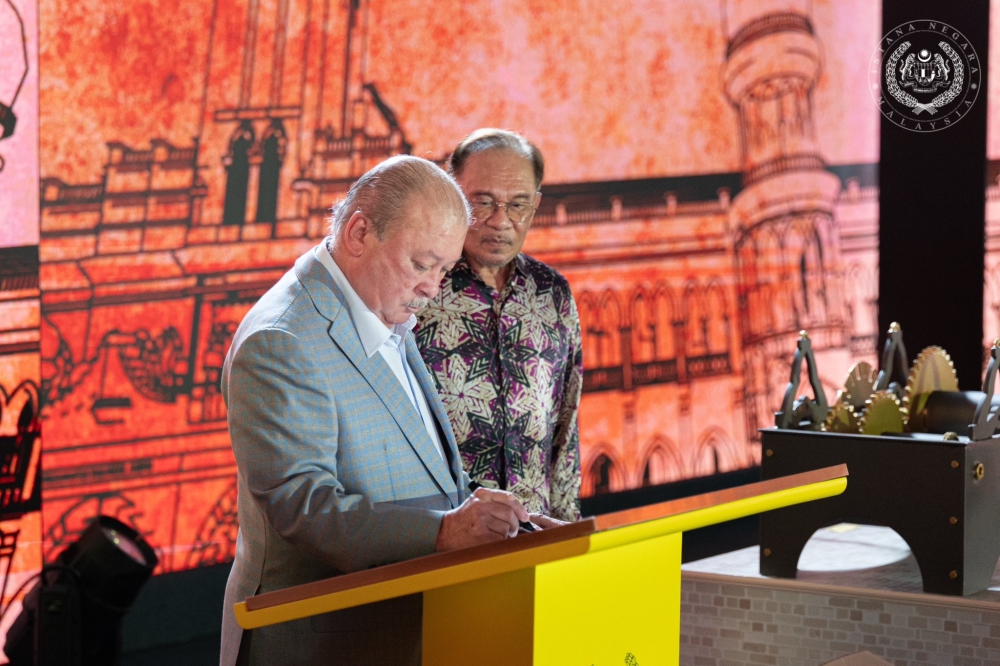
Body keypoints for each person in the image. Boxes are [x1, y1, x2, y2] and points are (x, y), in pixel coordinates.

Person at [219, 155, 559, 666]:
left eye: (443, 269)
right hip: (319, 645)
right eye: (422, 265)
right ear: (358, 233)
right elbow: (303, 507)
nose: (432, 288)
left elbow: (420, 468)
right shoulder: (282, 340)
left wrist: (505, 526)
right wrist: (446, 530)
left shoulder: (378, 302)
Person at [416, 129, 583, 522]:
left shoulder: (552, 294)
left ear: (536, 204)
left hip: (534, 535)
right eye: (484, 202)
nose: (500, 221)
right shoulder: (418, 287)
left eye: (518, 205)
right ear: (453, 193)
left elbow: (566, 425)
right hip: (441, 542)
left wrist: (568, 531)